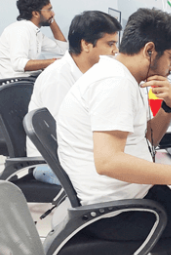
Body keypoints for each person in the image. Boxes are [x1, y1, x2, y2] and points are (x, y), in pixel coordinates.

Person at [57, 8, 171, 255]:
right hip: (118, 214)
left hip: (123, 200)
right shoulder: (114, 83)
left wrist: (169, 106)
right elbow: (108, 162)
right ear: (149, 50)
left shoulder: (119, 76)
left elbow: (147, 139)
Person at [27, 11, 122, 184]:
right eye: (110, 44)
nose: (115, 50)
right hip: (51, 164)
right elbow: (66, 137)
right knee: (123, 179)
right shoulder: (57, 78)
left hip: (77, 155)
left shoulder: (92, 72)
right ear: (86, 44)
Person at [0, 0, 68, 78]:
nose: (53, 13)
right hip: (14, 85)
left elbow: (62, 50)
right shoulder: (19, 30)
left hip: (26, 81)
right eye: (49, 10)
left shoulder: (35, 32)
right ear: (36, 13)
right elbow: (18, 63)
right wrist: (53, 62)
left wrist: (51, 19)